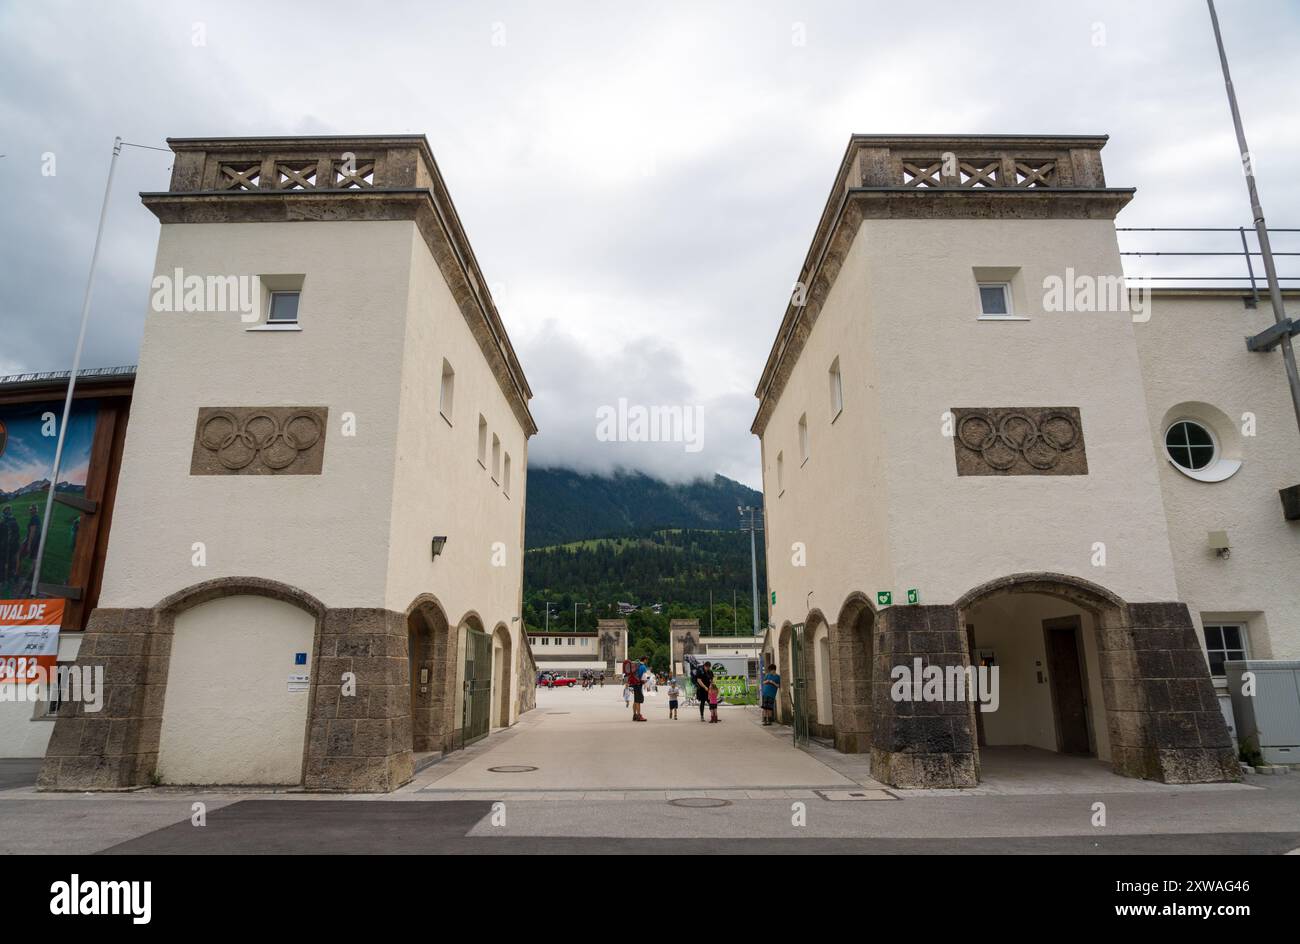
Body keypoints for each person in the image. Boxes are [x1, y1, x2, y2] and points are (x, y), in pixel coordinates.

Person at [761, 661, 780, 726]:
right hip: (765, 693)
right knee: (764, 708)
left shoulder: (777, 677)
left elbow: (778, 686)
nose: (770, 672)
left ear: (774, 670)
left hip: (771, 694)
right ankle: (764, 720)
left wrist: (773, 682)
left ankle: (769, 720)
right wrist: (767, 681)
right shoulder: (768, 675)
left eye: (771, 670)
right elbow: (763, 682)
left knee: (769, 708)